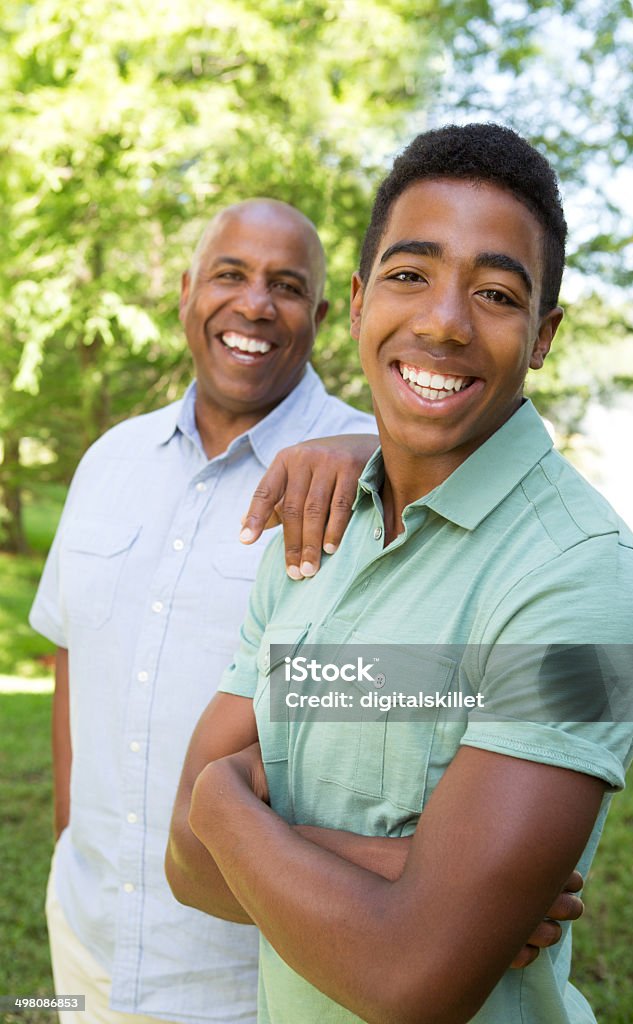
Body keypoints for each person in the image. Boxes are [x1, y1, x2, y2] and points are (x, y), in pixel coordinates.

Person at [167, 125, 633, 1024]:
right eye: (410, 275)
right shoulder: (313, 529)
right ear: (356, 304)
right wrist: (401, 881)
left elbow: (415, 981)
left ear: (544, 335)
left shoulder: (594, 582)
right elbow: (186, 871)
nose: (444, 320)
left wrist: (218, 802)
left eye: (498, 293)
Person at [29, 198, 377, 1024]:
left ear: (322, 317)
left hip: (255, 976)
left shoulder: (381, 472)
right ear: (187, 292)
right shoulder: (109, 461)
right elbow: (74, 653)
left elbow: (435, 690)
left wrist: (383, 452)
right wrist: (67, 834)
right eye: (231, 275)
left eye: (286, 286)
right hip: (85, 943)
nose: (255, 304)